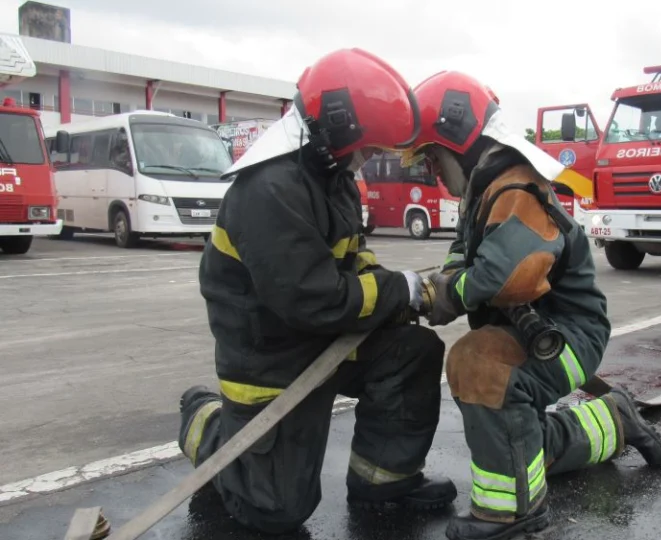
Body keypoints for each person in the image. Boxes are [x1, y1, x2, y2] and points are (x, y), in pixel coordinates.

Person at [176, 49, 457, 535]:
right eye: (368, 149)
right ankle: (207, 422)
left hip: (317, 336)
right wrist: (402, 290)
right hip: (268, 353)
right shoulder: (270, 189)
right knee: (276, 510)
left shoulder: (331, 179)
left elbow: (353, 259)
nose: (368, 161)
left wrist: (396, 295)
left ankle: (383, 481)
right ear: (337, 130)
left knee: (410, 352)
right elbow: (314, 299)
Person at [402, 70, 661, 540]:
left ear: (458, 138)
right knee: (513, 434)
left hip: (567, 337)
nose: (432, 172)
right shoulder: (484, 189)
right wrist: (439, 286)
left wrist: (448, 293)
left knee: (481, 365)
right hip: (542, 330)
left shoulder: (515, 190)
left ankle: (512, 514)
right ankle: (615, 419)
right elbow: (464, 257)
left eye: (432, 157)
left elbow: (505, 276)